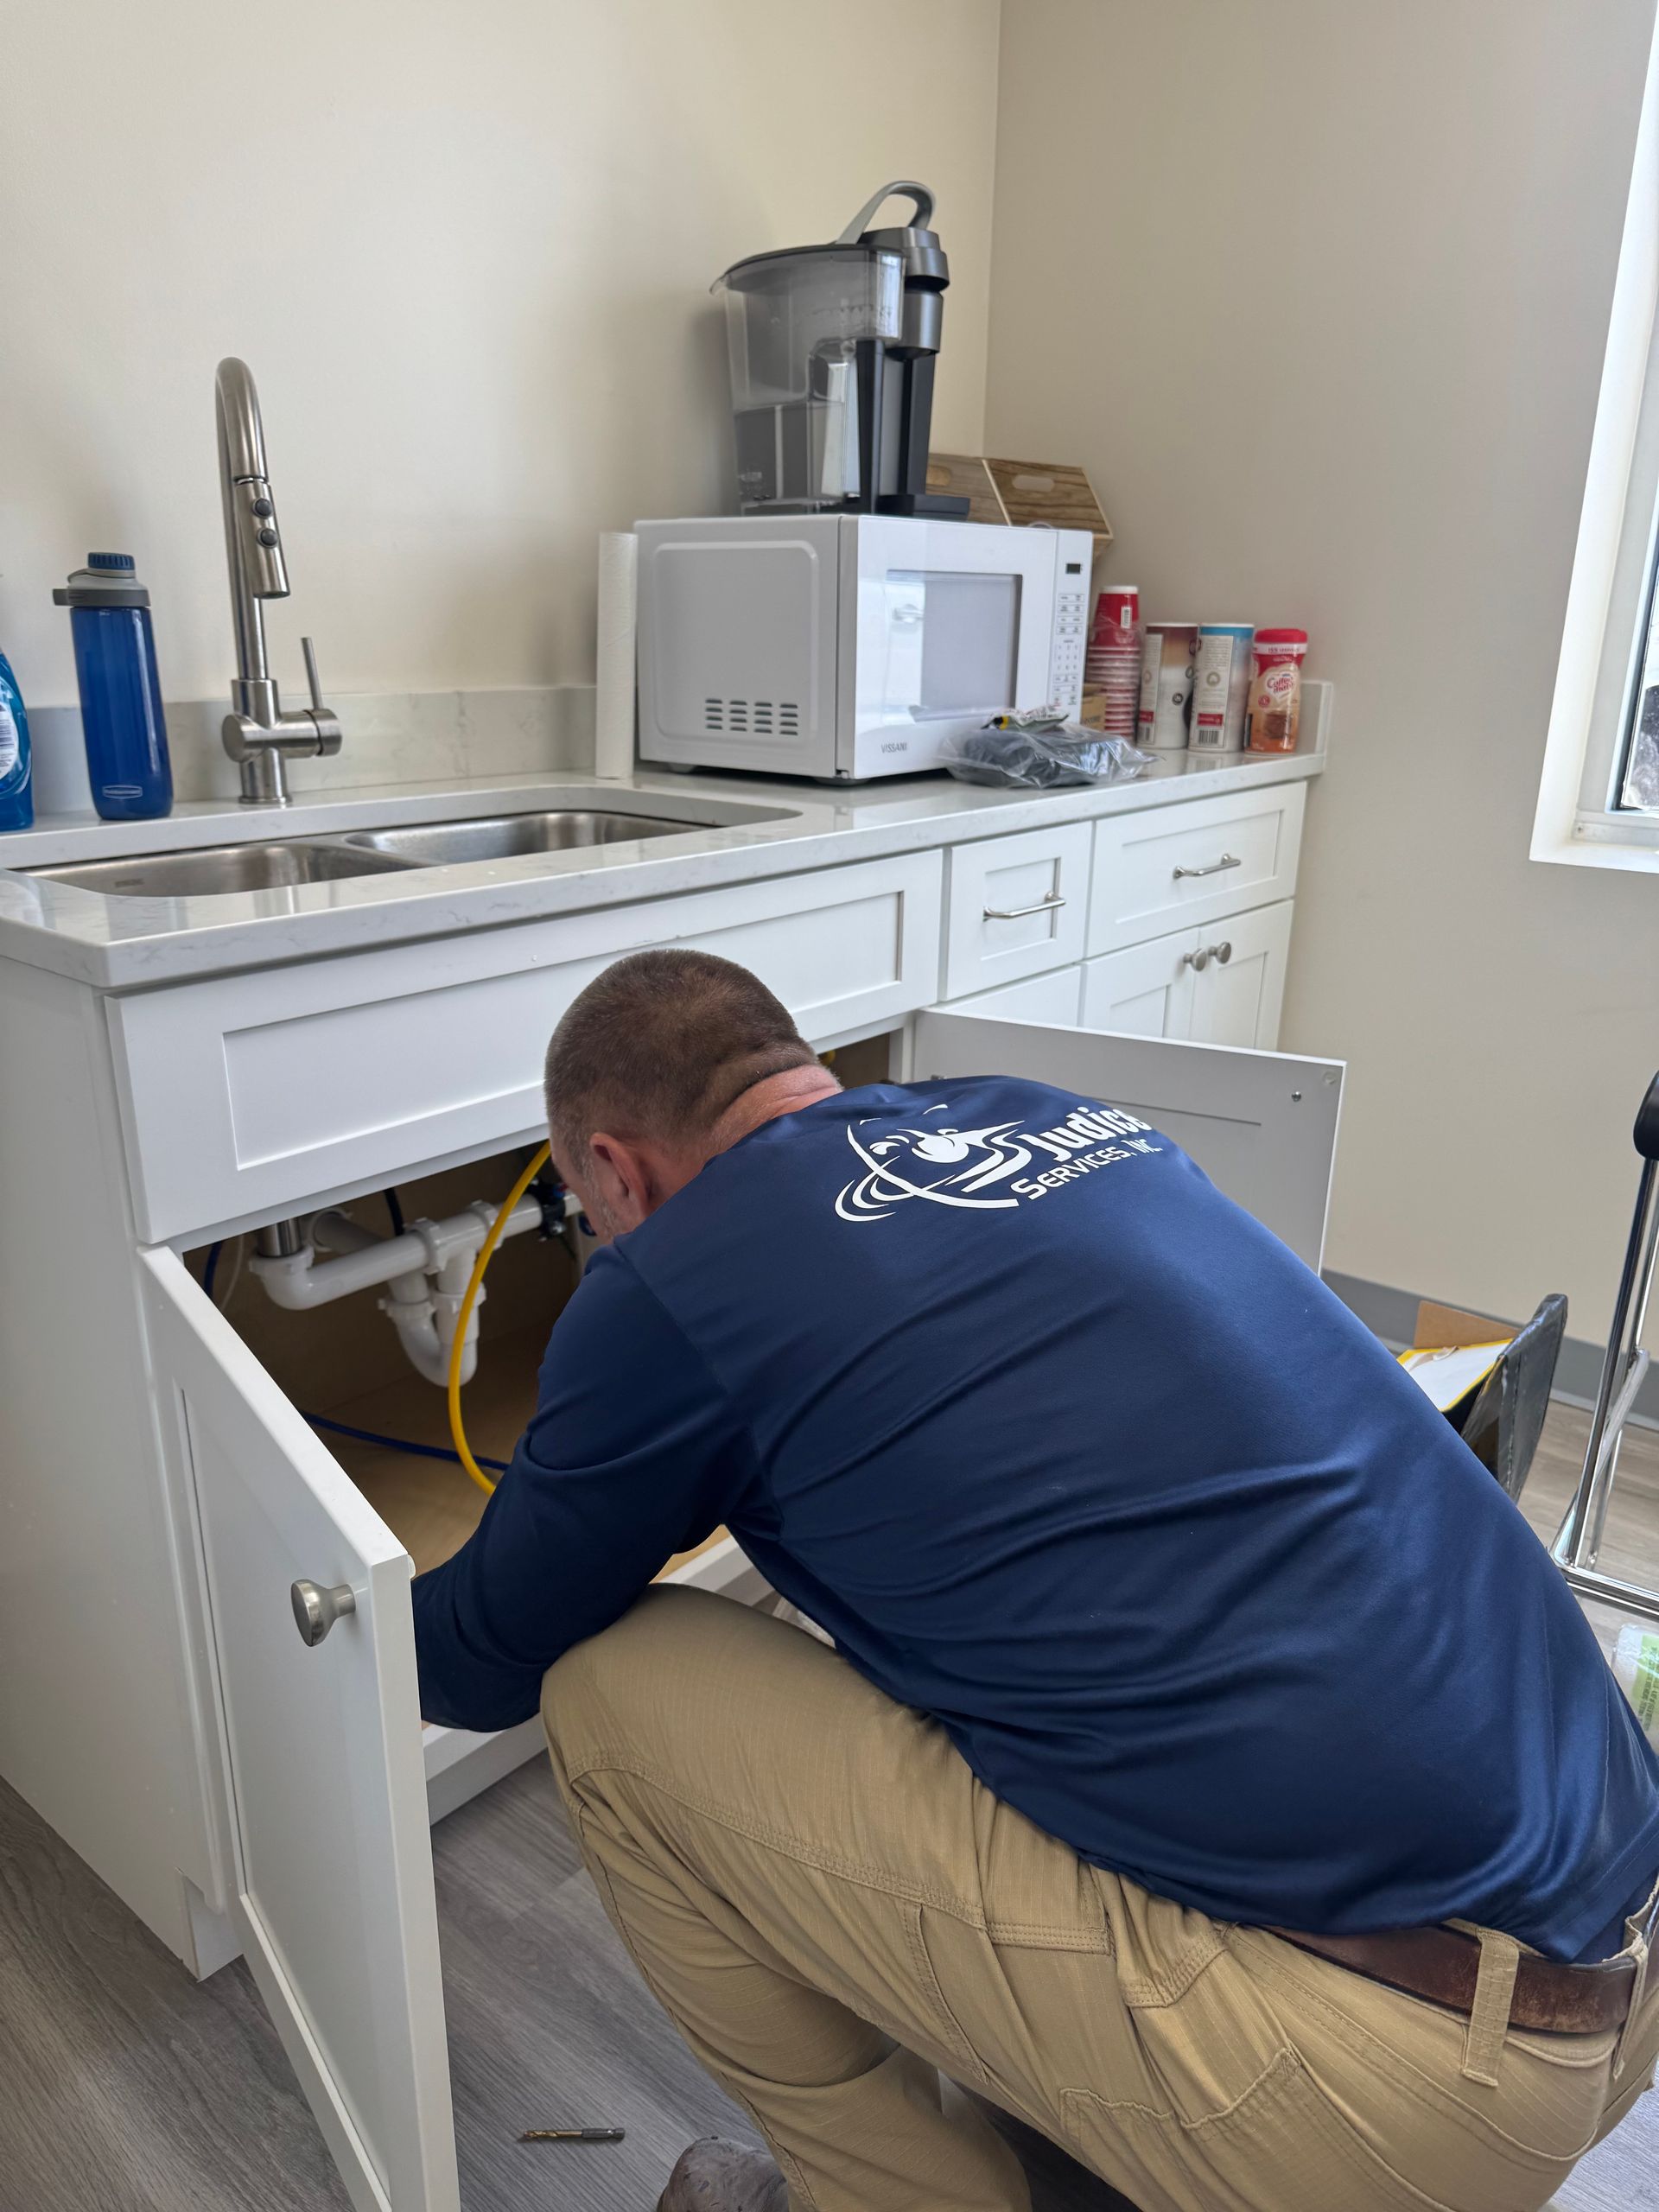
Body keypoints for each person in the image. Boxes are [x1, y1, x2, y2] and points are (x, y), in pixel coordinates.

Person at [412, 949, 1659, 2212]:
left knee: (611, 1687)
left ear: (615, 1170)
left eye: (586, 1205)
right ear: (806, 1074)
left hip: (1402, 2090)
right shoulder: (1046, 1114)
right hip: (1621, 1944)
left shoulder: (665, 1283)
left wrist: (300, 1603)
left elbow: (484, 1658)